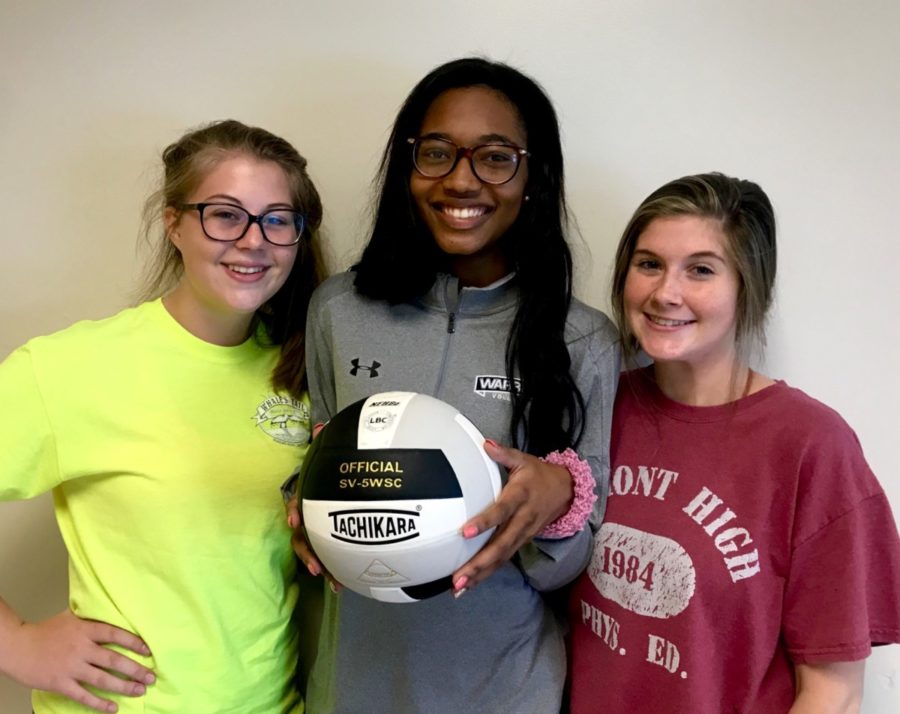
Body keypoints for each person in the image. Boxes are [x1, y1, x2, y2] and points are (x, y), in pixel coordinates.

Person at [287, 57, 620, 713]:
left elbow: (566, 568)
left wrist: (556, 500)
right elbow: (317, 462)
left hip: (505, 691)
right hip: (352, 687)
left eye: (495, 158)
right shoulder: (338, 311)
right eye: (437, 152)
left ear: (534, 176)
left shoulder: (582, 340)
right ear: (408, 166)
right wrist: (305, 505)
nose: (462, 180)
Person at [0, 120, 325, 713]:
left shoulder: (302, 375)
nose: (254, 240)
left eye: (278, 219)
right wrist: (15, 644)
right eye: (225, 214)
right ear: (174, 224)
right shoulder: (69, 368)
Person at [567, 172, 900, 713]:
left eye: (700, 270)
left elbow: (833, 693)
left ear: (749, 285)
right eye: (649, 263)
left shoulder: (811, 446)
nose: (664, 293)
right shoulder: (597, 406)